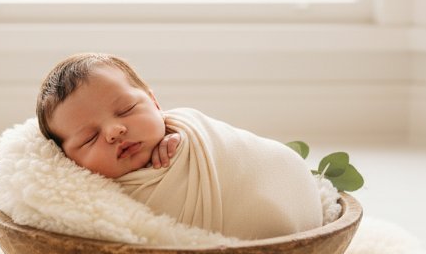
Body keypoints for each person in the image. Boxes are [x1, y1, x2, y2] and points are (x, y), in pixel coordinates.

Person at [36, 52, 323, 240]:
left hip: (284, 184)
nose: (114, 131)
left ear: (155, 103)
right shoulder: (91, 201)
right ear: (66, 159)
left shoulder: (186, 130)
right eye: (89, 138)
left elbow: (230, 149)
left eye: (126, 110)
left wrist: (181, 140)